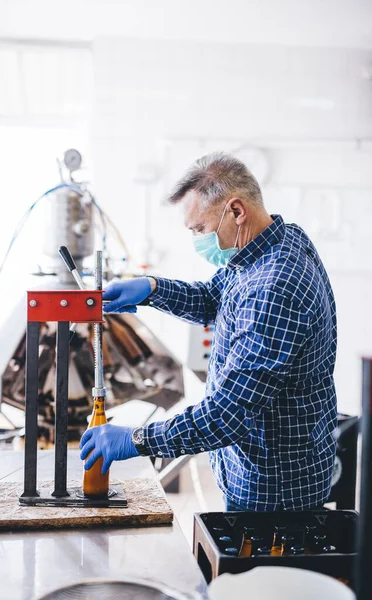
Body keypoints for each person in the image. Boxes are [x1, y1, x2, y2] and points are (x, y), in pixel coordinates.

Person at [80, 152, 337, 511]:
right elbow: (213, 299)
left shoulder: (275, 284)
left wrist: (137, 439)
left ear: (236, 211)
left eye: (199, 229)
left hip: (274, 492)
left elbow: (228, 413)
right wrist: (153, 289)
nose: (197, 239)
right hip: (258, 471)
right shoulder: (267, 247)